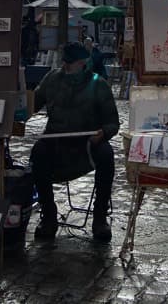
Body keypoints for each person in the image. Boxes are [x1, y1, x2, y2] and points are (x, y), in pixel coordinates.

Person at [30, 41, 119, 242]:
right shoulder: (52, 79)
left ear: (83, 63)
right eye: (64, 63)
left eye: (70, 64)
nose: (65, 67)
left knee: (106, 154)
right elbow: (32, 104)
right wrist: (19, 106)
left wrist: (103, 133)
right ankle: (49, 216)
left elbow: (112, 122)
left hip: (86, 144)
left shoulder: (99, 84)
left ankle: (99, 218)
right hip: (55, 141)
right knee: (38, 153)